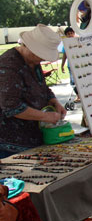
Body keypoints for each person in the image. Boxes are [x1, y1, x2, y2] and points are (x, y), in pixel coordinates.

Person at [0, 24, 67, 159]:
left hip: (33, 137)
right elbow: (11, 107)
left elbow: (42, 87)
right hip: (12, 143)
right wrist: (45, 117)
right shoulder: (8, 66)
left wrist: (54, 101)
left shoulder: (33, 62)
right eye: (41, 55)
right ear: (29, 48)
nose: (43, 59)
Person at [60, 27, 81, 103]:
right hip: (70, 66)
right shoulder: (65, 44)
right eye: (68, 34)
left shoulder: (78, 41)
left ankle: (80, 96)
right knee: (73, 82)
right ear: (66, 35)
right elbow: (64, 55)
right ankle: (78, 95)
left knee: (80, 80)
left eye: (71, 33)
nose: (70, 35)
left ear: (74, 33)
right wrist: (62, 65)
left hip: (79, 65)